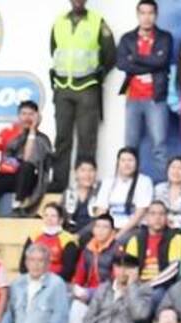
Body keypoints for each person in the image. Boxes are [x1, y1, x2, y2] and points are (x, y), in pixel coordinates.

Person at [49, 0, 116, 192]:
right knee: (62, 138)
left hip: (87, 88)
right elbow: (54, 50)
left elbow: (110, 55)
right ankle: (59, 184)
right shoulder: (59, 22)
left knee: (87, 139)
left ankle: (83, 186)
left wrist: (96, 74)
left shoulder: (97, 22)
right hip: (63, 87)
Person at [117, 1, 171, 182]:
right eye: (143, 13)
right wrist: (149, 62)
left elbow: (161, 62)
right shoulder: (127, 39)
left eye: (150, 13)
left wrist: (136, 59)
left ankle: (165, 188)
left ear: (156, 15)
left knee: (159, 146)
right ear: (137, 14)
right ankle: (128, 188)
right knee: (130, 147)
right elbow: (122, 64)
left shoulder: (165, 37)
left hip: (156, 98)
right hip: (132, 98)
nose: (146, 17)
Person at [0, 100, 52, 218]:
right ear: (18, 116)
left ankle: (18, 204)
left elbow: (28, 158)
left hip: (25, 178)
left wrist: (32, 130)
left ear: (37, 117)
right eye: (24, 114)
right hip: (5, 175)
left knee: (26, 167)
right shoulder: (8, 132)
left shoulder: (40, 138)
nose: (27, 118)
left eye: (30, 114)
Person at [0, 243, 70, 323]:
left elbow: (60, 315)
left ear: (48, 264)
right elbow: (8, 314)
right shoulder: (17, 283)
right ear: (26, 263)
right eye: (32, 260)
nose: (35, 265)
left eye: (40, 261)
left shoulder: (56, 284)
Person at [123, 200, 181, 310]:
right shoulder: (136, 239)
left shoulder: (175, 238)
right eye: (153, 214)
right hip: (139, 284)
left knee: (150, 301)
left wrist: (150, 284)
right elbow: (129, 267)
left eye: (161, 214)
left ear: (166, 218)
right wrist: (133, 285)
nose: (157, 218)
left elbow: (173, 269)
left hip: (163, 286)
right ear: (146, 217)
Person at [95, 147, 153, 243]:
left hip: (132, 228)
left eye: (130, 160)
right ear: (118, 163)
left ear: (137, 163)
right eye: (123, 160)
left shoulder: (144, 181)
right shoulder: (108, 181)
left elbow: (139, 214)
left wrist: (117, 235)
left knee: (116, 244)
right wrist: (104, 231)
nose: (126, 164)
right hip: (109, 228)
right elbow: (101, 209)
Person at [20, 203, 78, 280]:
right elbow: (23, 265)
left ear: (60, 220)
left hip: (57, 282)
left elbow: (68, 270)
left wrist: (50, 282)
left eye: (53, 216)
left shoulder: (68, 240)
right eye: (46, 215)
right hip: (33, 280)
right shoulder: (33, 236)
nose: (49, 219)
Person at [153, 155, 181, 228]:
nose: (176, 171)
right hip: (160, 228)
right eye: (173, 167)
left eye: (180, 168)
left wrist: (175, 223)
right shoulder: (158, 189)